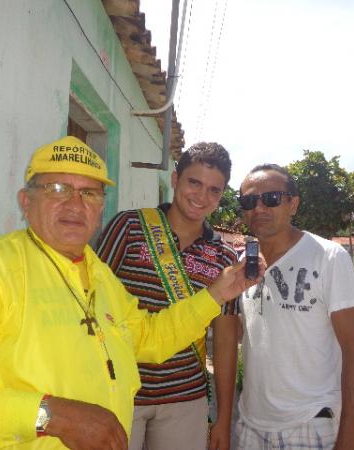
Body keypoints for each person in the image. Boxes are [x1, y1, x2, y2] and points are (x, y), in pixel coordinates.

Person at [0, 136, 262, 450]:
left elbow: (148, 336)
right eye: (57, 189)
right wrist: (49, 416)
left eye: (89, 193)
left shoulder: (97, 274)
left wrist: (216, 293)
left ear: (100, 207)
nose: (75, 204)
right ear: (25, 201)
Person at [96, 142, 238, 450]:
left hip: (185, 398)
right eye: (194, 182)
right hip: (118, 391)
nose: (202, 197)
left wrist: (223, 419)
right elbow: (88, 300)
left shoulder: (224, 257)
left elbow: (225, 340)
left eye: (214, 190)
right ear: (175, 180)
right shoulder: (129, 227)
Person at [234, 164, 354, 450]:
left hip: (308, 423)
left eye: (271, 198)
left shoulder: (328, 257)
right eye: (248, 201)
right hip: (250, 424)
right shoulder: (242, 264)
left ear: (293, 204)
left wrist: (349, 436)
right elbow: (237, 335)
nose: (258, 208)